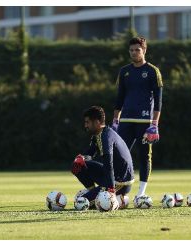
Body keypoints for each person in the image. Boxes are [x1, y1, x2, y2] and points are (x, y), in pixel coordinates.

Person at [112, 37, 163, 199]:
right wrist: (115, 121)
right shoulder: (124, 71)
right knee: (118, 155)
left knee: (144, 156)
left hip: (145, 122)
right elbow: (119, 98)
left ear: (144, 51)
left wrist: (154, 124)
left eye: (137, 50)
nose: (134, 53)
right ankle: (119, 190)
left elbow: (159, 99)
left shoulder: (153, 71)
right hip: (125, 121)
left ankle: (141, 193)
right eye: (132, 50)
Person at [71, 106, 134, 207]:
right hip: (111, 176)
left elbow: (109, 163)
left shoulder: (106, 137)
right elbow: (89, 154)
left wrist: (110, 189)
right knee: (77, 165)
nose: (85, 125)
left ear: (96, 122)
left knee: (81, 203)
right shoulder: (98, 135)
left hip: (120, 182)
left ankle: (119, 199)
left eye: (87, 122)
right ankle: (95, 192)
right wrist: (81, 158)